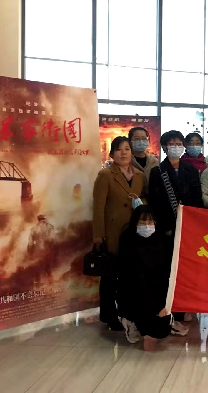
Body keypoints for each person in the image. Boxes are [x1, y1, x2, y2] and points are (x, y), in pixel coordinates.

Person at [93, 136, 146, 331]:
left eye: (127, 149)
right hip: (113, 232)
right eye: (119, 149)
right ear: (112, 154)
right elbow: (98, 207)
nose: (123, 153)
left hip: (134, 232)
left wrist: (142, 204)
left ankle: (127, 312)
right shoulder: (105, 175)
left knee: (129, 275)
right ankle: (108, 315)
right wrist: (98, 234)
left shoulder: (139, 175)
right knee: (110, 275)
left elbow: (145, 197)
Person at [116, 205, 179, 351]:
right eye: (142, 221)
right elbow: (135, 280)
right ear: (134, 222)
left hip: (156, 291)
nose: (147, 225)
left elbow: (167, 271)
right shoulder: (128, 240)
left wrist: (165, 304)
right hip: (134, 293)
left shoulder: (160, 240)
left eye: (150, 221)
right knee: (148, 323)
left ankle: (160, 319)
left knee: (162, 330)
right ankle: (129, 320)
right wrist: (157, 307)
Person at [148, 130, 204, 236]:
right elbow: (155, 202)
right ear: (164, 147)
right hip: (167, 225)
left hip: (189, 221)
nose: (176, 147)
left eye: (179, 144)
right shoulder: (157, 171)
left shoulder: (191, 169)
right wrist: (165, 227)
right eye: (172, 144)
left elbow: (197, 197)